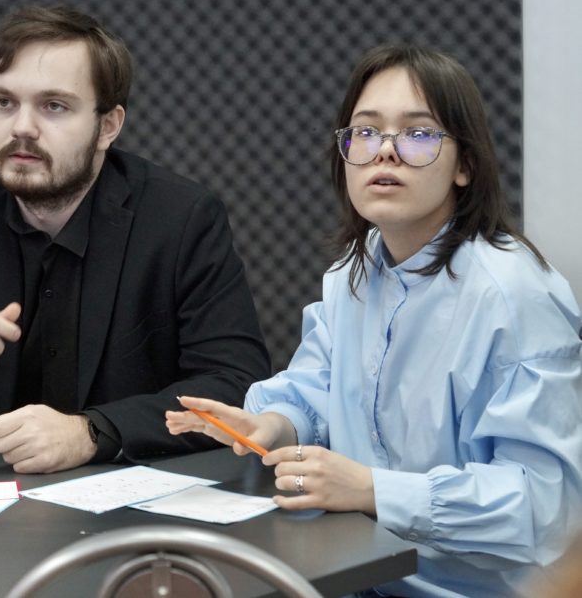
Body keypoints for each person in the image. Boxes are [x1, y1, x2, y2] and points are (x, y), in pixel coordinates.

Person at [166, 44, 582, 596]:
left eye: (418, 133)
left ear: (465, 165)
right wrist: (272, 425)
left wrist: (373, 490)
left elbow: (546, 507)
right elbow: (318, 387)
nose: (385, 150)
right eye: (365, 132)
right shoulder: (354, 271)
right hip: (361, 573)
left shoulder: (515, 295)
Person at [0, 5, 270, 473]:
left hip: (129, 499)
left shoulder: (180, 219)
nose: (21, 127)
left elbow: (235, 386)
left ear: (108, 126)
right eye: (4, 102)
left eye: (54, 106)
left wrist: (92, 432)